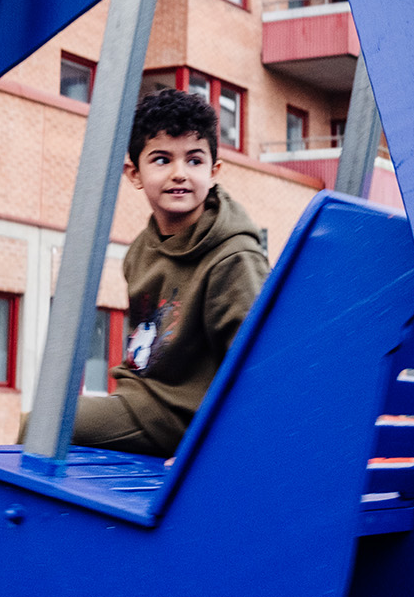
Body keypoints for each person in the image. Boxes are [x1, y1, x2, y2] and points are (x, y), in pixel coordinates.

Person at [71, 88, 269, 458]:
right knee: (57, 421)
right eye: (162, 160)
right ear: (134, 173)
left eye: (194, 161)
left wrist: (208, 453)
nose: (180, 174)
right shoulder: (140, 251)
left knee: (43, 427)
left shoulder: (234, 257)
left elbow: (255, 368)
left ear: (214, 172)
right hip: (141, 400)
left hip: (187, 419)